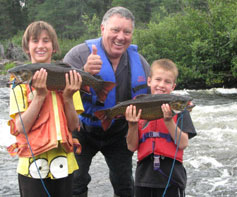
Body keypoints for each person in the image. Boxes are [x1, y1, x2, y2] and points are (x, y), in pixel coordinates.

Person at [64, 6, 150, 197]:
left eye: (127, 32)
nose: (121, 37)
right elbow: (60, 96)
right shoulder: (77, 56)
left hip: (119, 131)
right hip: (82, 129)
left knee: (125, 185)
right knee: (75, 183)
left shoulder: (140, 63)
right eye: (115, 30)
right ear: (103, 29)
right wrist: (83, 74)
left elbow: (152, 98)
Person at [7, 21, 84, 197]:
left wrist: (67, 97)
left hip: (64, 164)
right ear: (27, 47)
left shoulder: (68, 80)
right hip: (32, 168)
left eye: (46, 40)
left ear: (54, 46)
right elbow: (20, 128)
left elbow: (73, 126)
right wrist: (40, 96)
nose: (40, 45)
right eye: (35, 41)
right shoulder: (18, 86)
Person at [125, 59, 197, 197]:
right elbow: (131, 146)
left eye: (167, 82)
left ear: (173, 86)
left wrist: (169, 121)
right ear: (149, 81)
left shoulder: (182, 111)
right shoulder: (138, 106)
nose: (161, 85)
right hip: (143, 178)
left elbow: (183, 143)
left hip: (172, 178)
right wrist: (133, 125)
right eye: (158, 80)